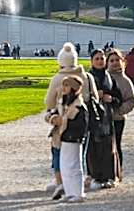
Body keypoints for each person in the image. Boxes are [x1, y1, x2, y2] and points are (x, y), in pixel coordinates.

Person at [43, 43, 98, 199]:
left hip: (67, 122)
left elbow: (49, 102)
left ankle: (64, 184)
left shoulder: (58, 78)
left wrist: (53, 115)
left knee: (63, 157)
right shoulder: (87, 76)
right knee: (76, 157)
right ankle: (70, 188)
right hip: (83, 123)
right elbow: (95, 97)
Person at [46, 75, 88, 203]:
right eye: (63, 85)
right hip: (63, 137)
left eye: (66, 85)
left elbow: (81, 125)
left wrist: (63, 122)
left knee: (74, 166)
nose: (63, 88)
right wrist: (54, 119)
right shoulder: (64, 102)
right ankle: (70, 192)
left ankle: (78, 192)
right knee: (65, 166)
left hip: (72, 138)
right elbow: (54, 113)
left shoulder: (78, 106)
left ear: (73, 88)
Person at [87, 49, 122, 190]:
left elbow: (118, 97)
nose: (100, 61)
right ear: (92, 61)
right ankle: (95, 176)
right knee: (94, 147)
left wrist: (111, 98)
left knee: (108, 147)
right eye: (97, 59)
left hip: (107, 117)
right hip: (92, 116)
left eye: (102, 58)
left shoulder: (109, 78)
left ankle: (110, 176)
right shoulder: (88, 77)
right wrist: (95, 95)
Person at [106, 49, 134, 177]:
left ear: (122, 62)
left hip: (118, 119)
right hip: (103, 117)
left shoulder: (125, 81)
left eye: (117, 60)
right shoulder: (103, 78)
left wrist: (120, 111)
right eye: (111, 61)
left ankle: (117, 171)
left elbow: (132, 100)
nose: (114, 63)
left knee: (116, 145)